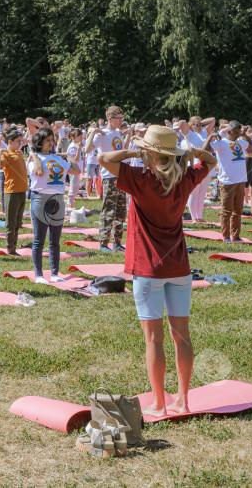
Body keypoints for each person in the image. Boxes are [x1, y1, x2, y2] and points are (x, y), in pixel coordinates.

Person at [97, 124, 216, 417]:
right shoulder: (186, 177)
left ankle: (160, 403)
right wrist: (193, 152)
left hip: (148, 270)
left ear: (150, 153)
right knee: (182, 337)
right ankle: (184, 400)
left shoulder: (140, 178)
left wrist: (136, 151)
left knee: (154, 339)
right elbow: (210, 161)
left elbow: (104, 159)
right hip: (179, 267)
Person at [27, 127, 80, 283]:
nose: (51, 143)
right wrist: (33, 154)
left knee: (55, 240)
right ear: (40, 142)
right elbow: (38, 172)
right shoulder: (33, 159)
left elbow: (76, 170)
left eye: (52, 140)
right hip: (40, 199)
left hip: (57, 199)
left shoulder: (57, 158)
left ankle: (55, 273)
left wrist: (68, 155)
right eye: (48, 140)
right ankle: (39, 275)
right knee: (39, 239)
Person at [85, 106, 129, 252]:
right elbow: (87, 149)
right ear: (110, 118)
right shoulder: (102, 133)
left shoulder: (117, 133)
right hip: (109, 177)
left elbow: (122, 152)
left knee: (121, 212)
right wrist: (93, 132)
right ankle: (103, 243)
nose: (121, 121)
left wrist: (129, 135)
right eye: (119, 118)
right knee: (108, 211)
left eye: (122, 118)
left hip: (120, 175)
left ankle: (117, 242)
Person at [205, 120, 252, 242]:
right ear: (229, 131)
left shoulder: (241, 142)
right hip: (227, 182)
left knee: (238, 211)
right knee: (226, 211)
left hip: (240, 180)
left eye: (239, 132)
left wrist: (245, 135)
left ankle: (235, 236)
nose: (237, 135)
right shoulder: (221, 143)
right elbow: (205, 150)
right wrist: (211, 136)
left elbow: (251, 146)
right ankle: (226, 236)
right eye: (235, 132)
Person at [0, 129, 28, 255]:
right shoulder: (6, 154)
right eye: (18, 141)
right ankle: (10, 248)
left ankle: (14, 246)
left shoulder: (18, 153)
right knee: (11, 222)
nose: (21, 143)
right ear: (10, 141)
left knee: (18, 222)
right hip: (12, 191)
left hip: (22, 191)